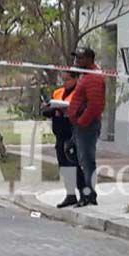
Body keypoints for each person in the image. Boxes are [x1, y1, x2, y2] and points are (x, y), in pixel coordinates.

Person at [67, 47, 106, 207]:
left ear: (90, 59)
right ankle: (85, 192)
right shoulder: (86, 76)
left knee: (87, 161)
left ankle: (89, 195)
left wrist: (81, 121)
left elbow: (95, 105)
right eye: (76, 58)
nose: (77, 61)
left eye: (80, 58)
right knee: (78, 157)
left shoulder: (94, 78)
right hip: (80, 125)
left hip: (87, 126)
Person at [41, 71, 86, 208]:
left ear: (75, 79)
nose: (65, 82)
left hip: (73, 132)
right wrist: (51, 109)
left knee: (75, 165)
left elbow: (83, 110)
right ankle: (70, 195)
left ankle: (84, 195)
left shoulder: (80, 93)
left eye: (67, 79)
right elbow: (46, 111)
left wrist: (68, 110)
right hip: (59, 133)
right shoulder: (58, 92)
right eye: (63, 79)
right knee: (64, 165)